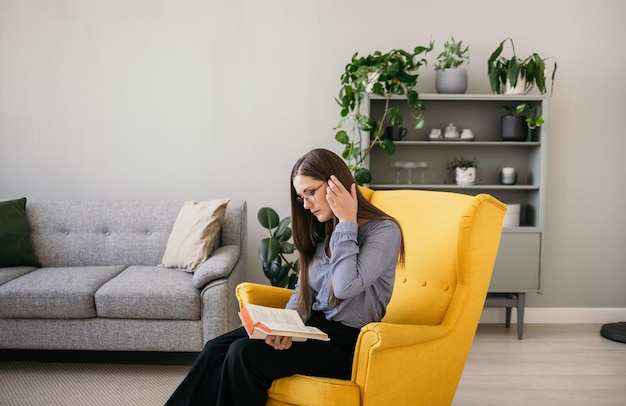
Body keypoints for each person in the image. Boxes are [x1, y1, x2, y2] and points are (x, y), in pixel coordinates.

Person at [165, 148, 404, 406]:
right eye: (302, 197)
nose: (307, 204)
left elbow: (345, 286)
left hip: (348, 345)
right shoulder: (324, 229)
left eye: (311, 192)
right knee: (215, 349)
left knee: (243, 354)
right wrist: (286, 327)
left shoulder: (384, 231)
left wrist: (347, 221)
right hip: (311, 330)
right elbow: (303, 292)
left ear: (337, 185)